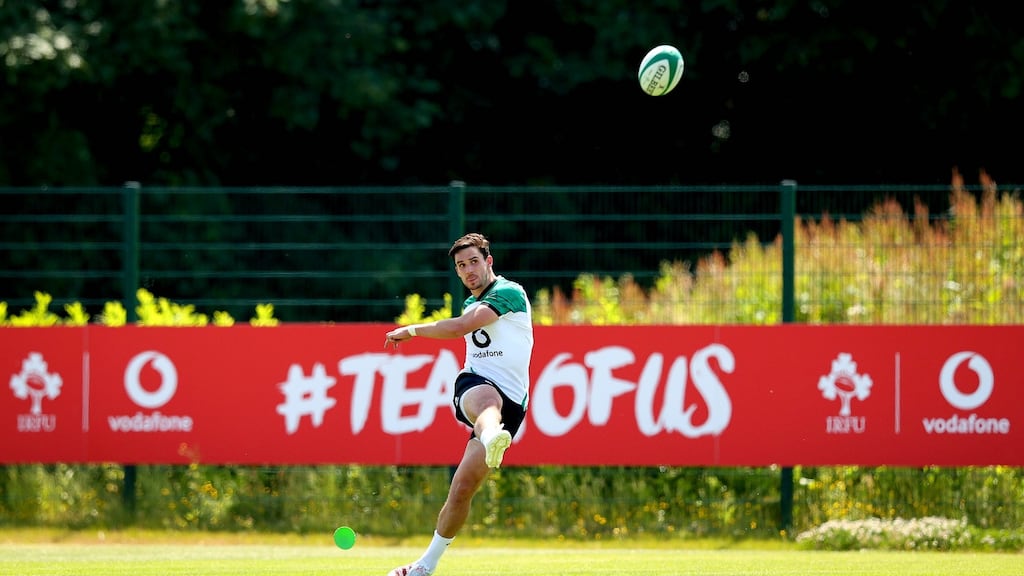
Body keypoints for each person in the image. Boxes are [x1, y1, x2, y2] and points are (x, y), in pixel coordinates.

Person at [383, 233, 534, 576]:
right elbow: (464, 325)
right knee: (485, 400)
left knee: (462, 488)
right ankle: (424, 567)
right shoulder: (469, 303)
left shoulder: (508, 293)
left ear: (489, 262)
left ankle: (428, 562)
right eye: (461, 266)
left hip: (513, 405)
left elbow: (463, 327)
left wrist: (412, 330)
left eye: (473, 262)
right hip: (475, 386)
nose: (468, 271)